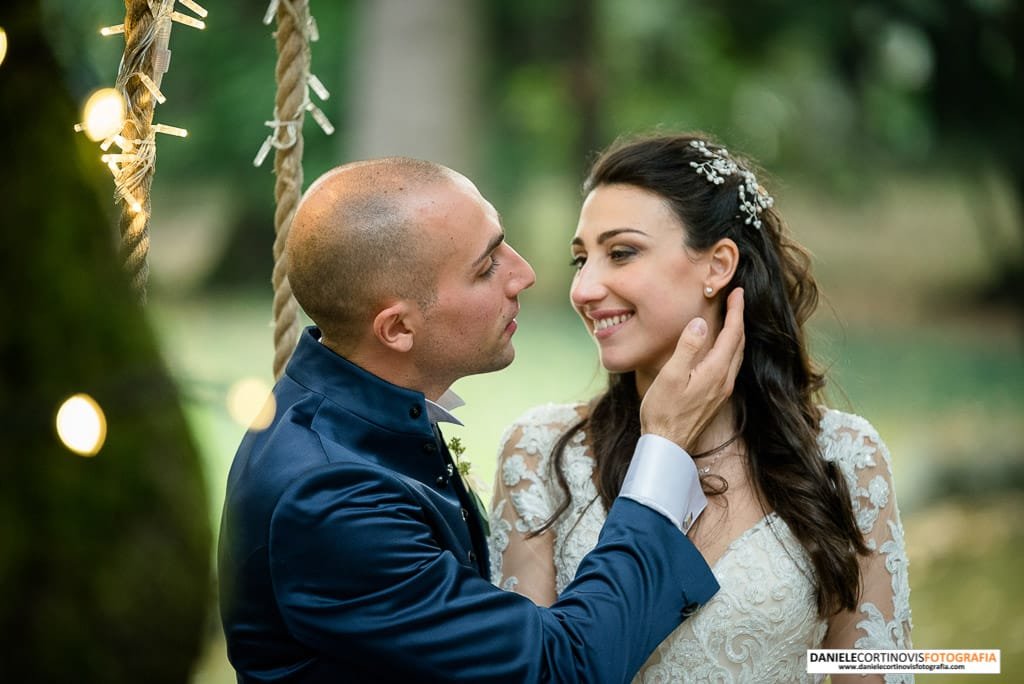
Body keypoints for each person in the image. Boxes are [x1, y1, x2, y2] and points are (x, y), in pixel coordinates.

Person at [217, 157, 748, 682]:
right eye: (487, 265)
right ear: (398, 328)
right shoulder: (331, 498)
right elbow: (560, 668)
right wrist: (663, 448)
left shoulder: (362, 418)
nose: (525, 275)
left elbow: (835, 659)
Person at [490, 133, 913, 683]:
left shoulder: (845, 457)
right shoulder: (541, 454)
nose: (584, 288)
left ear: (718, 266)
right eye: (580, 259)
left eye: (620, 252)